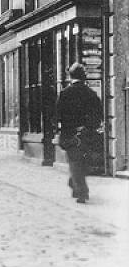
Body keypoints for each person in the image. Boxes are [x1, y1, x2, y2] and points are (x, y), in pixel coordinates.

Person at [56, 63, 102, 204]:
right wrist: (90, 127)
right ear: (84, 77)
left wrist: (60, 129)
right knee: (82, 161)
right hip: (87, 133)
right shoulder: (91, 93)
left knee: (75, 162)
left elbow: (58, 115)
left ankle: (81, 191)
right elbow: (99, 113)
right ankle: (75, 184)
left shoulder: (64, 93)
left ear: (70, 76)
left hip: (70, 134)